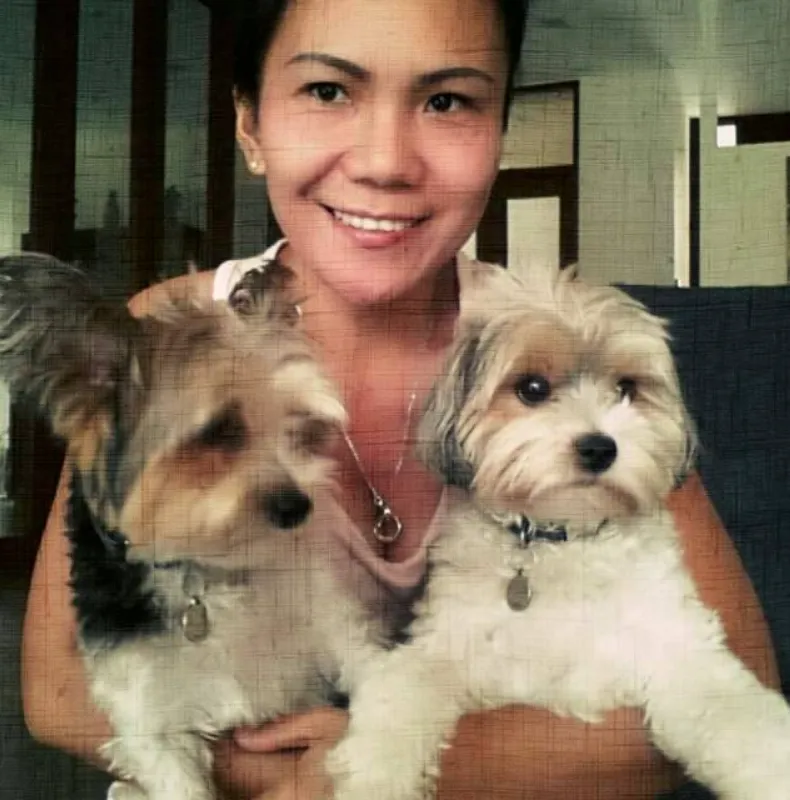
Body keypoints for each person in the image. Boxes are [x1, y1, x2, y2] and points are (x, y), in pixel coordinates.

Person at [21, 0, 779, 797]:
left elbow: (738, 678)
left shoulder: (560, 347)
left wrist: (377, 769)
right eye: (327, 91)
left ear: (499, 132)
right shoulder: (162, 343)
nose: (386, 161)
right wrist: (278, 780)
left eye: (447, 100)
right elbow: (57, 689)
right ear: (249, 124)